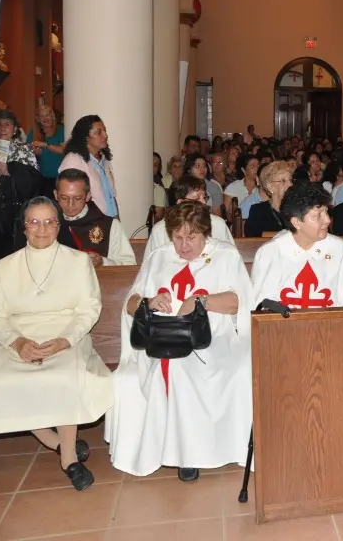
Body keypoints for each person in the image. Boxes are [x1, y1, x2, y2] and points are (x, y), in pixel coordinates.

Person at [107, 202, 253, 481]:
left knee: (187, 366)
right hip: (164, 336)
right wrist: (148, 303)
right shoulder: (159, 257)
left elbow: (239, 302)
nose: (184, 246)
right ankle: (185, 454)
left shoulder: (225, 255)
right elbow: (131, 302)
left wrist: (202, 301)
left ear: (206, 234)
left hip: (215, 337)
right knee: (175, 365)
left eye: (192, 237)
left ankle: (197, 450)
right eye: (177, 237)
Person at [0, 197, 113, 490]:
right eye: (34, 222)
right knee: (3, 382)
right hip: (16, 340)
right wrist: (17, 342)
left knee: (64, 377)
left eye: (49, 222)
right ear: (24, 227)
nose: (42, 229)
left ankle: (69, 460)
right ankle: (57, 442)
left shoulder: (77, 262)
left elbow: (89, 308)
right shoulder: (4, 267)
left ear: (58, 225)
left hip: (67, 337)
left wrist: (65, 340)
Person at [251, 183, 343, 309]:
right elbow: (261, 306)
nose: (327, 220)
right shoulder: (271, 252)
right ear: (296, 222)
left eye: (326, 212)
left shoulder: (341, 249)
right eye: (318, 215)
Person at [0, 108, 41, 264]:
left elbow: (34, 180)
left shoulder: (24, 149)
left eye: (7, 124)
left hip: (14, 213)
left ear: (14, 129)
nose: (3, 128)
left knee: (14, 258)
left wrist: (10, 170)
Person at [55, 169, 136, 266]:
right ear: (56, 195)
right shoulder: (47, 224)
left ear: (88, 196)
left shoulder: (110, 226)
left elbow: (129, 266)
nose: (70, 204)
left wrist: (102, 262)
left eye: (77, 198)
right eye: (64, 198)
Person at [146, 176, 234, 253]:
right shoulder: (160, 229)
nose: (203, 202)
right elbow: (150, 266)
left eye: (204, 197)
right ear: (180, 202)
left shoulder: (217, 224)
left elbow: (230, 257)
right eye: (196, 198)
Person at [60, 115, 118, 218]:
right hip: (88, 224)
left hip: (108, 221)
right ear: (85, 137)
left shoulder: (104, 160)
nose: (105, 135)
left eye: (104, 130)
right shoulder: (74, 160)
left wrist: (116, 221)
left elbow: (111, 197)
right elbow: (70, 199)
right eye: (98, 132)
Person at [245, 161, 295, 237]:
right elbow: (255, 237)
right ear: (270, 187)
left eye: (290, 180)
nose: (290, 184)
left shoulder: (298, 208)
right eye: (283, 181)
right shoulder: (258, 211)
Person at [27, 105, 65, 194]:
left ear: (53, 116)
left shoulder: (61, 130)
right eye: (42, 116)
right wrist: (35, 154)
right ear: (37, 119)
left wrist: (45, 145)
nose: (45, 118)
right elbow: (27, 154)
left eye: (48, 114)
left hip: (61, 177)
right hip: (42, 179)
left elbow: (62, 150)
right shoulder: (33, 133)